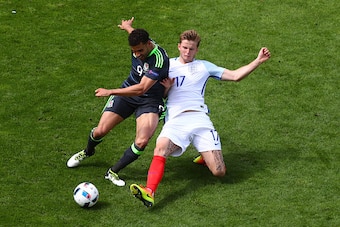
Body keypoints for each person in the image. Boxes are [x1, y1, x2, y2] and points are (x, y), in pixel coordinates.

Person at [129, 30, 271, 207]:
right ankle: (149, 191)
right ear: (179, 46)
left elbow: (235, 76)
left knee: (219, 172)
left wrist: (257, 61)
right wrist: (166, 88)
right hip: (176, 120)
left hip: (200, 119)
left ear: (197, 50)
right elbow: (156, 93)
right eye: (185, 48)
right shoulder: (167, 65)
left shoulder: (204, 66)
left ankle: (205, 156)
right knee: (161, 147)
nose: (188, 52)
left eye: (192, 49)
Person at [66, 17, 169, 187]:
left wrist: (110, 91)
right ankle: (87, 151)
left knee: (142, 141)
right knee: (100, 131)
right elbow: (134, 35)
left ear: (149, 43)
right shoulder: (139, 43)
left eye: (140, 51)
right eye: (133, 51)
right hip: (127, 92)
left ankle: (113, 171)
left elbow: (142, 89)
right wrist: (128, 27)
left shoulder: (159, 59)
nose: (137, 55)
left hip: (149, 100)